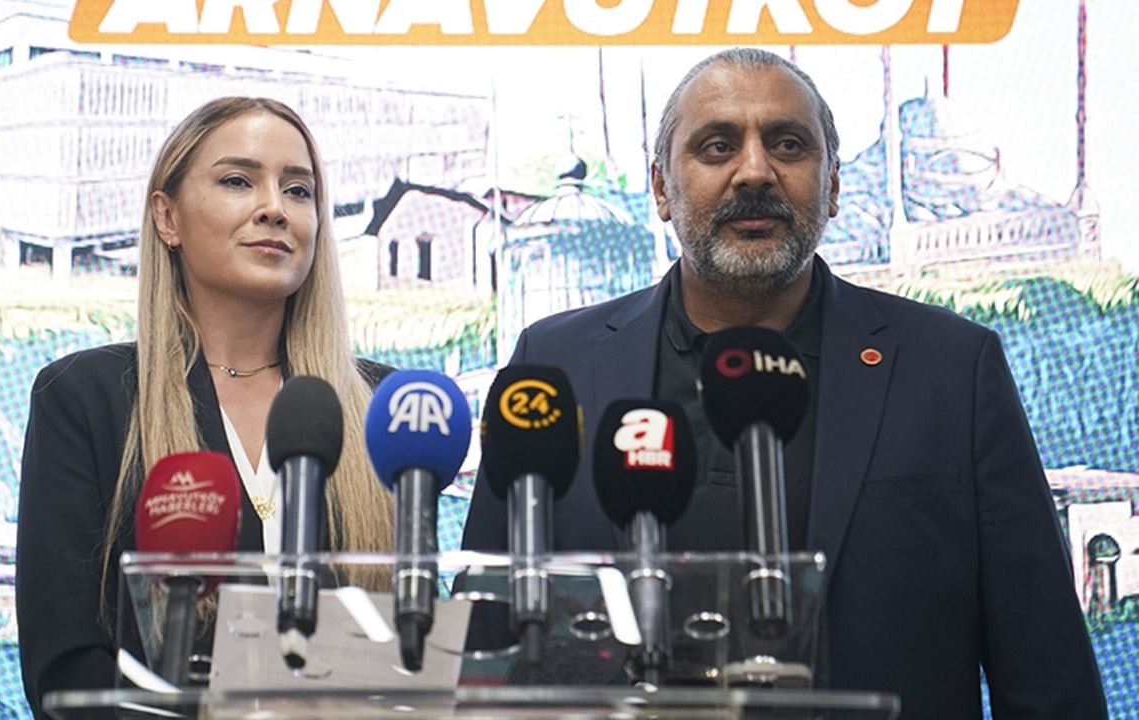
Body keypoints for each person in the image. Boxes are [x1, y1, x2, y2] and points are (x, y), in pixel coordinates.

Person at [461, 49, 1107, 718]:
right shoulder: (555, 365)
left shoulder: (951, 369)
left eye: (788, 144)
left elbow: (1047, 675)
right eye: (717, 146)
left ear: (833, 186)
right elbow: (480, 650)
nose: (754, 171)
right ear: (661, 189)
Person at [15, 97, 393, 716]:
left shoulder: (383, 406)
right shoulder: (86, 398)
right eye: (239, 181)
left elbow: (413, 652)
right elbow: (65, 669)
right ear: (168, 218)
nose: (274, 208)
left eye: (298, 190)